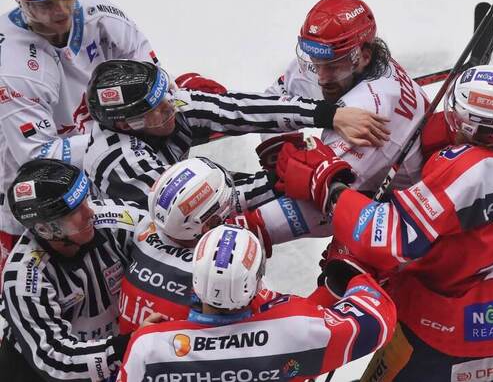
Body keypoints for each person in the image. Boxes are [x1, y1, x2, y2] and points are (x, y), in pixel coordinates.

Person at [274, 65, 493, 381]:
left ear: (481, 132)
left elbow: (385, 237)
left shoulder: (466, 173)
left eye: (458, 118)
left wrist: (325, 184)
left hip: (440, 339)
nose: (451, 122)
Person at [0, 0, 158, 283]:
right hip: (32, 205)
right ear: (20, 1)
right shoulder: (14, 67)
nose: (60, 10)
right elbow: (37, 158)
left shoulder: (103, 17)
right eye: (46, 4)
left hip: (98, 181)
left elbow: (152, 80)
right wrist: (127, 137)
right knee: (28, 296)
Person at [83, 59, 390, 209]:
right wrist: (285, 181)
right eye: (154, 107)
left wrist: (329, 114)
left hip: (177, 201)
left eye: (164, 93)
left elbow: (237, 108)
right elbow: (196, 205)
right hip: (140, 241)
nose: (170, 106)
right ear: (126, 124)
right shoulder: (119, 161)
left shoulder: (164, 106)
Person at [250, 0, 430, 245]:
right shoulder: (332, 55)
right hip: (370, 182)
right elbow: (277, 96)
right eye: (315, 61)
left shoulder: (369, 111)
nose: (321, 76)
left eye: (332, 66)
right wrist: (277, 148)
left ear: (364, 56)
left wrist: (252, 226)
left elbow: (319, 201)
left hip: (403, 220)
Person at [118, 224, 396, 382]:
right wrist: (356, 281)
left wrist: (146, 334)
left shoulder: (149, 346)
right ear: (256, 281)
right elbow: (378, 321)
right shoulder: (298, 329)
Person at [0, 159, 150, 381]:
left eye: (85, 199)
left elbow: (163, 231)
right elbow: (54, 358)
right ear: (45, 229)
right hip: (36, 368)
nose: (90, 212)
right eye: (74, 211)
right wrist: (131, 344)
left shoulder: (113, 220)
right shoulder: (24, 277)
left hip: (107, 345)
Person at [119, 156, 273, 333]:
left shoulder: (142, 227)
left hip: (134, 349)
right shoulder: (217, 269)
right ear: (207, 223)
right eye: (224, 200)